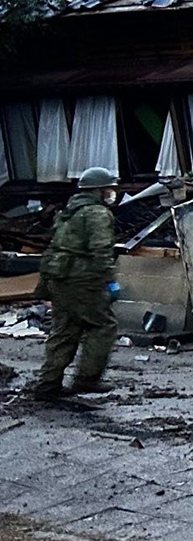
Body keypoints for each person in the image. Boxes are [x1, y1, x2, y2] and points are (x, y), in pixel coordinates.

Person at [30, 166, 119, 399]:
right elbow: (101, 250)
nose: (112, 192)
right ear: (99, 190)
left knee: (65, 329)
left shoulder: (69, 210)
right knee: (102, 326)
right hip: (82, 279)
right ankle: (87, 379)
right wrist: (109, 281)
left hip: (58, 276)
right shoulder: (97, 214)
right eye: (109, 188)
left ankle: (48, 384)